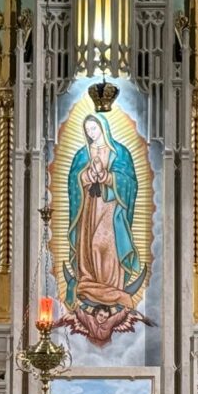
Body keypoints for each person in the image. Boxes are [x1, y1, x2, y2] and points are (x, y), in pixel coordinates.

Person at [64, 113, 144, 311]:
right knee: (89, 245)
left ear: (104, 128)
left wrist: (108, 177)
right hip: (89, 208)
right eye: (88, 129)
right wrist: (85, 176)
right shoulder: (82, 154)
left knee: (104, 244)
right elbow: (73, 180)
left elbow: (130, 183)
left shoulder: (120, 153)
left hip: (110, 208)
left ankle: (111, 287)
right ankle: (90, 282)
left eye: (94, 128)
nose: (91, 133)